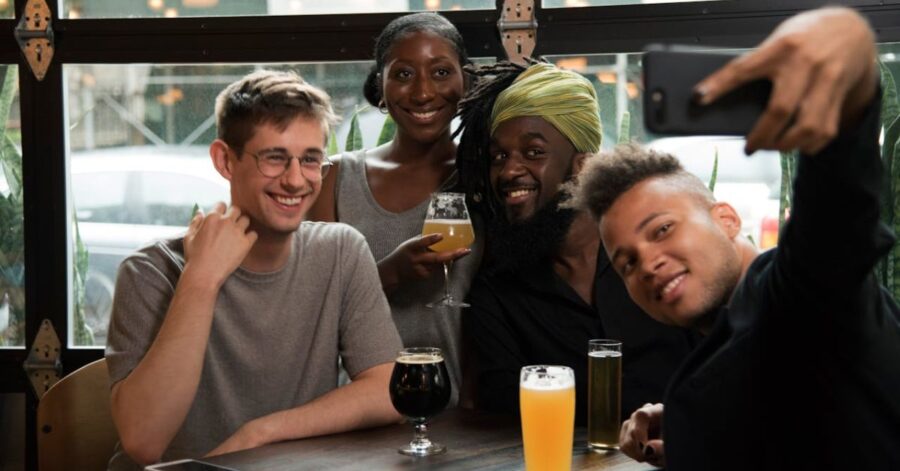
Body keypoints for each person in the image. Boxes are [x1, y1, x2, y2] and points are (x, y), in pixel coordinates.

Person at [569, 7, 900, 470]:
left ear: (725, 219)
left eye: (662, 230)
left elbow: (836, 214)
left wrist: (846, 57)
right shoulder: (733, 339)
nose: (646, 264)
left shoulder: (793, 293)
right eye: (626, 263)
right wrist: (699, 429)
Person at [105, 70, 403, 470]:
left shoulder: (341, 251)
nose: (296, 180)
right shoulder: (148, 272)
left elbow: (389, 389)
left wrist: (260, 434)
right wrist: (202, 277)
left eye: (310, 159)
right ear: (225, 160)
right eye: (274, 158)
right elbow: (143, 441)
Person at [455, 61, 698, 424]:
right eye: (499, 157)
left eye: (533, 152)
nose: (508, 171)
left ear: (582, 167)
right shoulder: (497, 295)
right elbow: (504, 407)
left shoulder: (658, 260)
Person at [307, 12, 482, 407]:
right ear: (380, 88)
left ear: (465, 83)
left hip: (462, 417)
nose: (422, 92)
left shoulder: (487, 180)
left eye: (441, 73)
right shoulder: (335, 178)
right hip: (352, 414)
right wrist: (387, 273)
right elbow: (309, 310)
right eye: (403, 75)